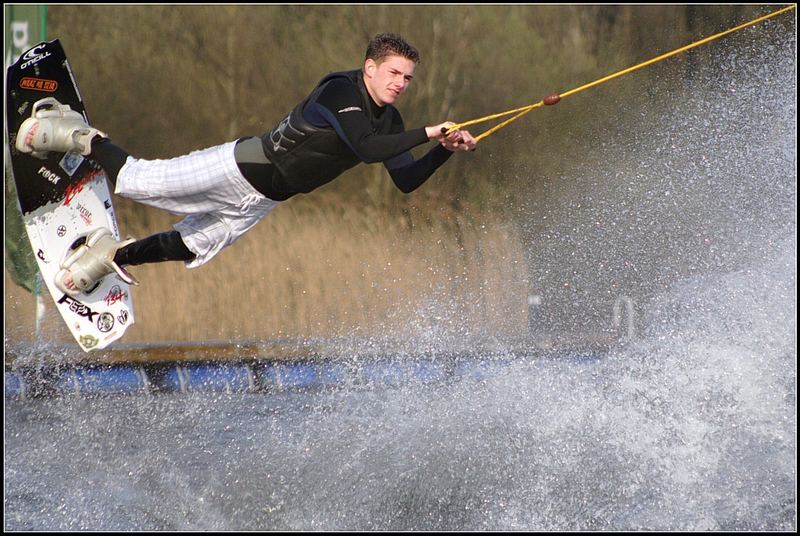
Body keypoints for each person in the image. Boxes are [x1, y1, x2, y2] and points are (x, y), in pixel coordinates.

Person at [15, 33, 477, 297]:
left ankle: (108, 256)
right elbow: (365, 146)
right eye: (394, 73)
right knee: (137, 181)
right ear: (370, 68)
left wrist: (442, 150)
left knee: (192, 246)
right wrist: (430, 132)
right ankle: (72, 133)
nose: (400, 84)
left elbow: (406, 181)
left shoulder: (390, 120)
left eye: (408, 79)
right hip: (239, 167)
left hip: (265, 198)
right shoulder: (342, 92)